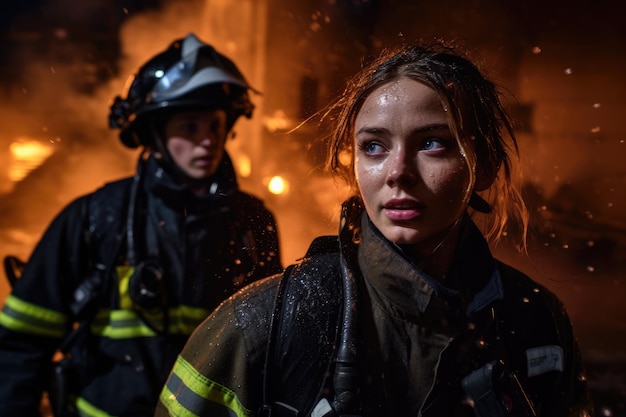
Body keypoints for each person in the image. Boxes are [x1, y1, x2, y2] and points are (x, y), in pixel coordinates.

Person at [155, 41, 595, 417]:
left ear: (484, 166)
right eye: (374, 147)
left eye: (432, 143)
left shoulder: (536, 322)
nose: (397, 172)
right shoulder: (262, 326)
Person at [0, 32, 282, 417]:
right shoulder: (95, 218)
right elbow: (21, 344)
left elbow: (270, 347)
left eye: (215, 126)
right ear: (155, 133)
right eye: (190, 127)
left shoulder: (252, 223)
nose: (208, 141)